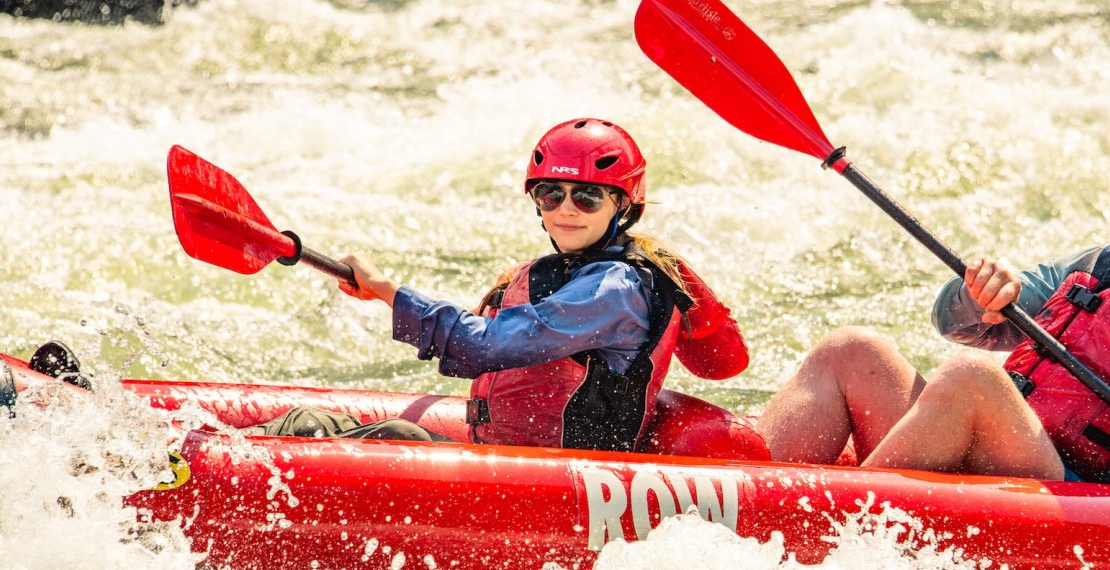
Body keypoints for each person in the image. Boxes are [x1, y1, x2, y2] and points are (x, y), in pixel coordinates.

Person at [758, 112, 1110, 509]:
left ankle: (833, 534)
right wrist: (979, 294)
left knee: (971, 382)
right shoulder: (1098, 266)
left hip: (1080, 505)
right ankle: (740, 494)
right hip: (1002, 461)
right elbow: (951, 321)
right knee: (852, 350)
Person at [259, 118, 749, 451]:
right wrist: (387, 295)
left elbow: (485, 347)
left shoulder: (616, 289)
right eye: (551, 194)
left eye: (588, 197)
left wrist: (390, 292)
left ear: (624, 206)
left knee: (310, 428)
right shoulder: (570, 273)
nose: (565, 210)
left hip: (560, 481)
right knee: (313, 423)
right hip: (510, 459)